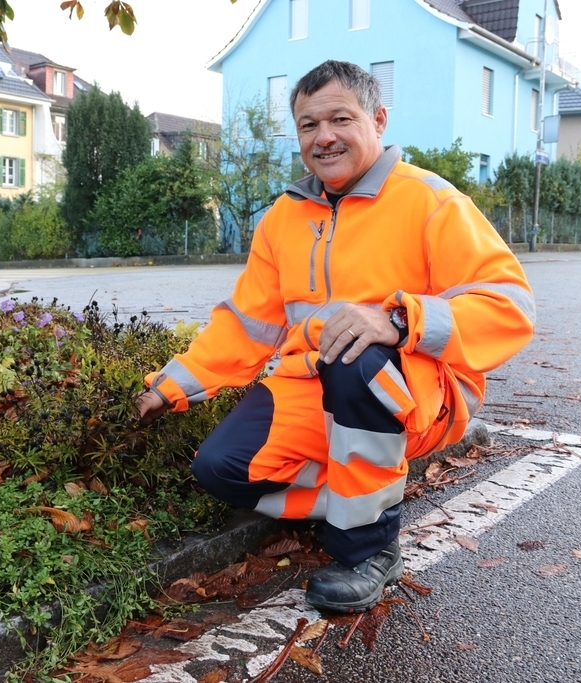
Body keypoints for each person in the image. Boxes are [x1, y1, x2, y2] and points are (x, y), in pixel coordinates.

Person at [136, 60, 535, 613]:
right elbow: (248, 323)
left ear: (378, 120)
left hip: (417, 392)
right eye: (307, 125)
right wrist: (170, 386)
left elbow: (510, 306)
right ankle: (360, 494)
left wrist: (398, 321)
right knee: (219, 467)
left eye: (339, 119)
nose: (323, 137)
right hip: (313, 385)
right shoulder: (283, 217)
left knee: (355, 354)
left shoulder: (431, 201)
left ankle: (369, 549)